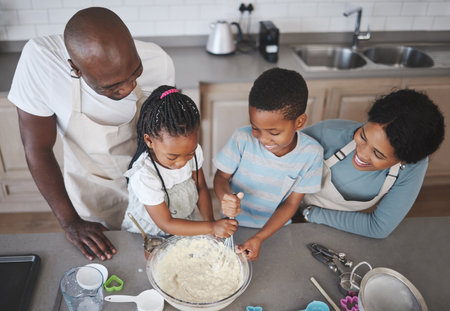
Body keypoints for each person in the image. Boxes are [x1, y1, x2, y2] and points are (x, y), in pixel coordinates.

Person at [8, 7, 175, 261]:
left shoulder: (159, 61)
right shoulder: (41, 62)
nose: (130, 87)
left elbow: (167, 135)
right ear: (75, 68)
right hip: (89, 196)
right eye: (113, 87)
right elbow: (37, 149)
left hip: (149, 190)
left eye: (135, 72)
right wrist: (71, 223)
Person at [296, 89, 445, 238]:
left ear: (403, 160)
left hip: (325, 226)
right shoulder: (327, 133)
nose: (362, 154)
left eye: (378, 154)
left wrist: (310, 214)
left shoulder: (411, 167)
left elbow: (378, 227)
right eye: (363, 136)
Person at [213, 68, 324, 261]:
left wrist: (260, 237)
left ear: (299, 122)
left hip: (274, 229)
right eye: (256, 128)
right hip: (232, 223)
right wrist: (225, 197)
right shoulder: (242, 138)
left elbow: (291, 204)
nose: (263, 139)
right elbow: (221, 177)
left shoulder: (312, 154)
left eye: (273, 133)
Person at [121, 85, 238, 237]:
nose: (182, 162)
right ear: (149, 140)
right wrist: (211, 227)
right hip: (149, 234)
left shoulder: (193, 152)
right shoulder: (144, 175)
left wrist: (210, 221)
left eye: (189, 154)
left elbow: (201, 187)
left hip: (182, 225)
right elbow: (166, 223)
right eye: (172, 157)